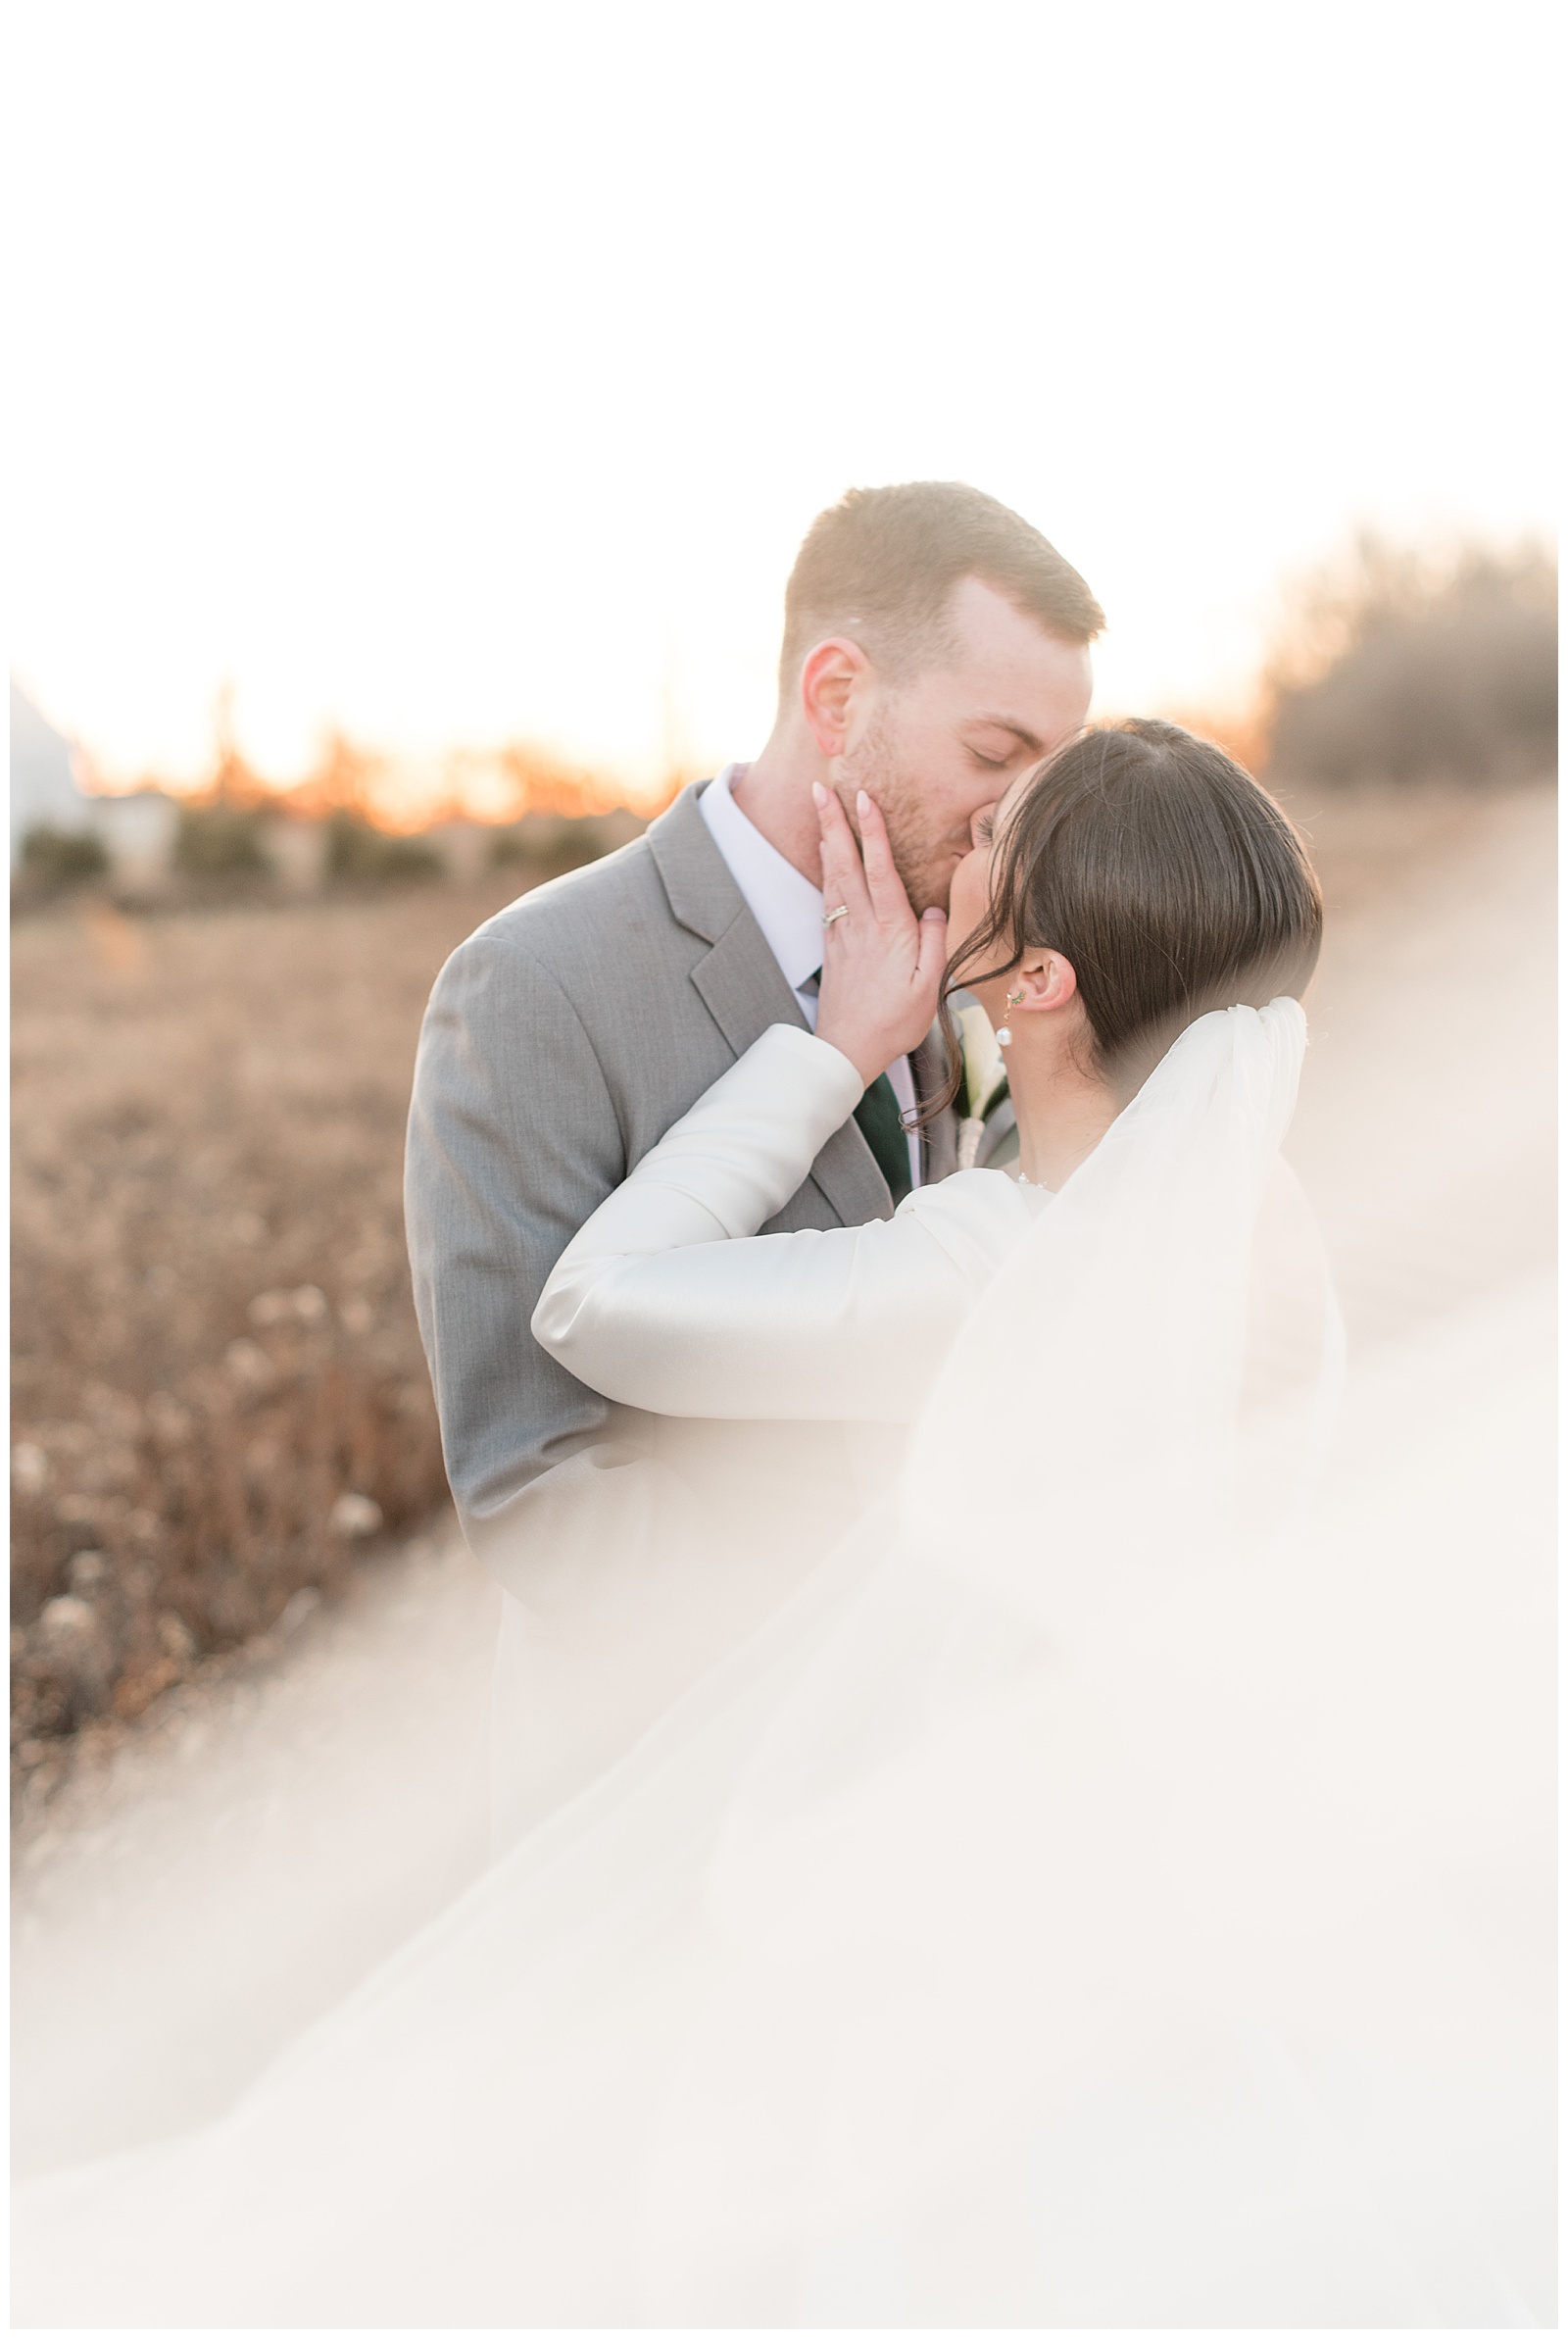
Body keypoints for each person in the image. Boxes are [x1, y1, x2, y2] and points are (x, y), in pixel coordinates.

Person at [36, 722, 1530, 2328]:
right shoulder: (1261, 1227)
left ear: (1035, 983)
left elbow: (599, 1298)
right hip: (1197, 1862)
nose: (956, 844)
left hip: (975, 1905)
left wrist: (841, 1041)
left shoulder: (1000, 1267)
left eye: (991, 841)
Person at [405, 480, 1102, 1829]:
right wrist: (865, 1642)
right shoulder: (536, 986)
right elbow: (534, 1484)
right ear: (836, 697)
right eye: (998, 752)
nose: (1028, 819)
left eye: (1053, 771)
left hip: (944, 1778)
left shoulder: (989, 950)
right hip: (663, 1791)